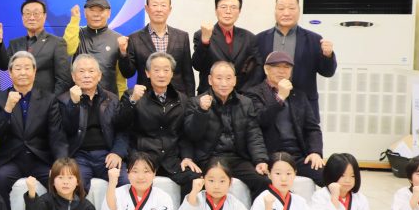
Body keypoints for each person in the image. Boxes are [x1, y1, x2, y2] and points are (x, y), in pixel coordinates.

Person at [116, 52, 200, 197]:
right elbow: (121, 124)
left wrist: (187, 157)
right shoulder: (132, 95)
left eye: (166, 70)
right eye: (156, 70)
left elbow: (184, 134)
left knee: (196, 179)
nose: (161, 74)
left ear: (172, 73)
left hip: (171, 159)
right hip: (143, 158)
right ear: (147, 73)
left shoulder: (182, 99)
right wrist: (132, 101)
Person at [183, 61, 269, 199]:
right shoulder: (196, 102)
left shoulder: (245, 103)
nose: (224, 83)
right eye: (219, 78)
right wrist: (201, 111)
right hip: (208, 158)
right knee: (191, 181)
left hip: (237, 158)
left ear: (234, 80)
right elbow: (191, 135)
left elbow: (254, 134)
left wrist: (260, 160)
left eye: (228, 78)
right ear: (210, 80)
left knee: (263, 181)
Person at [0, 51, 67, 204]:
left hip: (40, 159)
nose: (23, 72)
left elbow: (56, 136)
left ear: (34, 71)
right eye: (18, 68)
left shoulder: (49, 99)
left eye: (27, 68)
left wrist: (60, 165)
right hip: (11, 159)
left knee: (59, 182)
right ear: (10, 73)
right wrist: (7, 109)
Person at [245, 51, 325, 186]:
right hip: (270, 156)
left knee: (330, 175)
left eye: (286, 67)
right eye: (277, 66)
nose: (282, 71)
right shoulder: (253, 93)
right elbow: (260, 120)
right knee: (262, 182)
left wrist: (315, 152)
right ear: (266, 69)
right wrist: (280, 97)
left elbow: (312, 128)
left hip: (297, 156)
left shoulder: (299, 95)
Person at [256, 0, 337, 121]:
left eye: (292, 8)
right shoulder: (260, 39)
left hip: (303, 106)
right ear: (275, 11)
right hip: (268, 105)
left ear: (299, 11)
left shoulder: (313, 39)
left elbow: (328, 72)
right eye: (281, 8)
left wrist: (328, 55)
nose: (286, 13)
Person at [59, 54, 129, 188]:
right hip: (79, 156)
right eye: (81, 71)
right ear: (73, 76)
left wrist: (117, 152)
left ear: (99, 75)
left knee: (126, 182)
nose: (87, 75)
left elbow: (122, 130)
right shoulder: (63, 100)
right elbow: (66, 131)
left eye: (91, 71)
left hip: (107, 154)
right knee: (75, 186)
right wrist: (73, 104)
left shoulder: (112, 99)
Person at [119, 0, 194, 96]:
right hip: (146, 98)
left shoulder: (182, 37)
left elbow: (188, 74)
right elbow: (127, 73)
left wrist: (190, 101)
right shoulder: (134, 38)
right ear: (147, 8)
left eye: (163, 5)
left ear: (169, 9)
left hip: (177, 98)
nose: (159, 9)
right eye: (154, 5)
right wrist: (123, 53)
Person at [192, 0, 261, 93]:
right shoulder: (202, 34)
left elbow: (258, 68)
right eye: (223, 7)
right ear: (216, 11)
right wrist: (205, 41)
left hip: (241, 96)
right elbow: (197, 66)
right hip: (209, 95)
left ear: (239, 12)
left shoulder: (249, 37)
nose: (228, 11)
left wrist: (246, 92)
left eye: (233, 7)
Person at [5, 0, 71, 95]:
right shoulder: (14, 44)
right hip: (17, 100)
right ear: (22, 17)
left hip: (45, 101)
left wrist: (51, 101)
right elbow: (5, 73)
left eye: (36, 13)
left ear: (45, 16)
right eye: (27, 13)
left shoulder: (57, 43)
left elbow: (64, 80)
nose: (32, 17)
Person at [64, 0, 127, 96]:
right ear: (85, 13)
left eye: (101, 11)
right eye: (92, 10)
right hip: (79, 98)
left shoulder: (118, 39)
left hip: (109, 100)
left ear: (109, 13)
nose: (96, 14)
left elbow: (121, 78)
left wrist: (120, 99)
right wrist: (74, 20)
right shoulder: (76, 33)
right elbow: (68, 50)